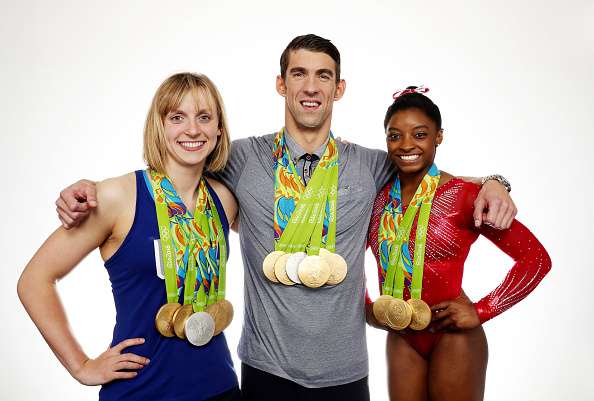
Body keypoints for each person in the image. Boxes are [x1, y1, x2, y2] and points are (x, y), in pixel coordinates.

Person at [54, 35, 516, 401]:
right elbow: (174, 169)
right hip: (264, 371)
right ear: (282, 84)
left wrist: (495, 181)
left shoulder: (370, 164)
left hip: (347, 375)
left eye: (323, 76)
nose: (310, 87)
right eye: (298, 74)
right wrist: (87, 190)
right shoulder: (239, 158)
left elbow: (428, 170)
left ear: (339, 88)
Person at [18, 72, 241, 401]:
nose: (193, 129)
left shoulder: (225, 199)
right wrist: (81, 366)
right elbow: (34, 280)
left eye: (204, 117)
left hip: (219, 387)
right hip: (141, 391)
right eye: (177, 117)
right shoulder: (116, 197)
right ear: (159, 126)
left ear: (219, 129)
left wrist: (337, 152)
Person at [365, 86, 551, 401]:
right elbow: (347, 253)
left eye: (420, 134)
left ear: (439, 136)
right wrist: (368, 308)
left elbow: (535, 259)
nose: (406, 145)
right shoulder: (378, 197)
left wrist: (482, 310)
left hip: (453, 336)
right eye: (394, 135)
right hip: (402, 335)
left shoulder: (464, 196)